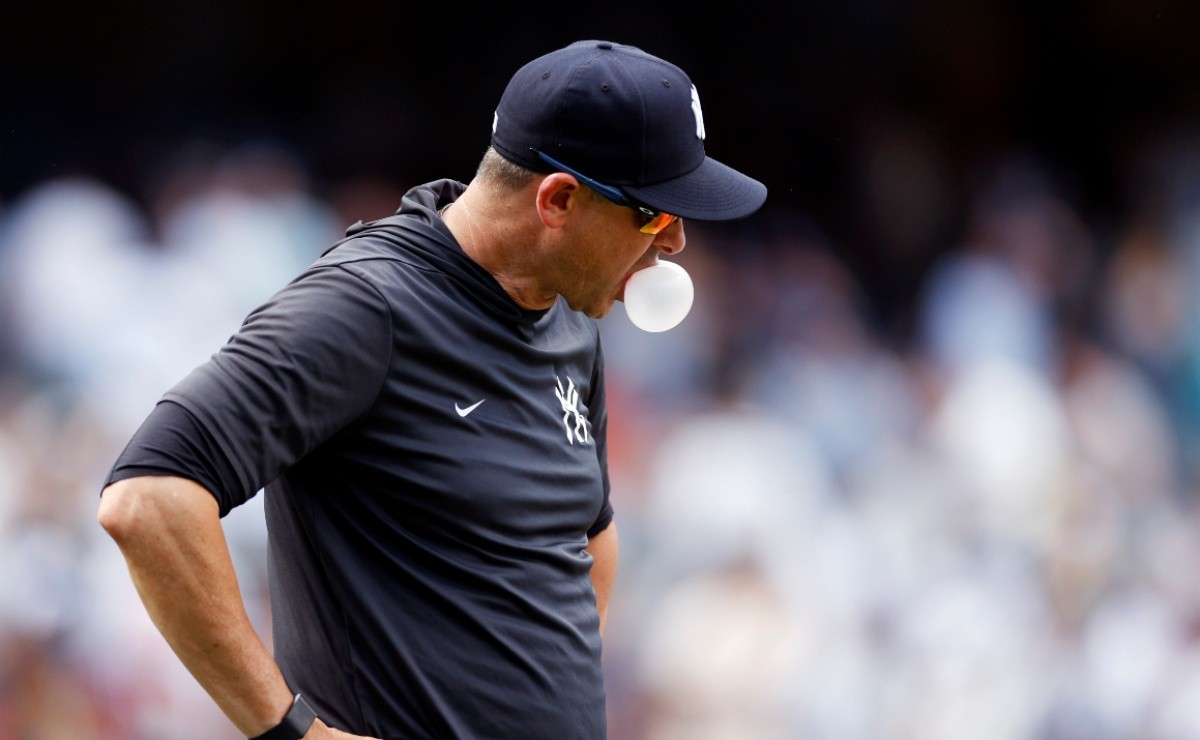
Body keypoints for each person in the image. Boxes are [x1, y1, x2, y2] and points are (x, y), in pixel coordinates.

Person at [97, 39, 767, 739]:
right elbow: (147, 499)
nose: (678, 244)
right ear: (560, 199)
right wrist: (293, 732)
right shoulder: (366, 308)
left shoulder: (570, 320)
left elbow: (591, 539)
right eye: (655, 215)